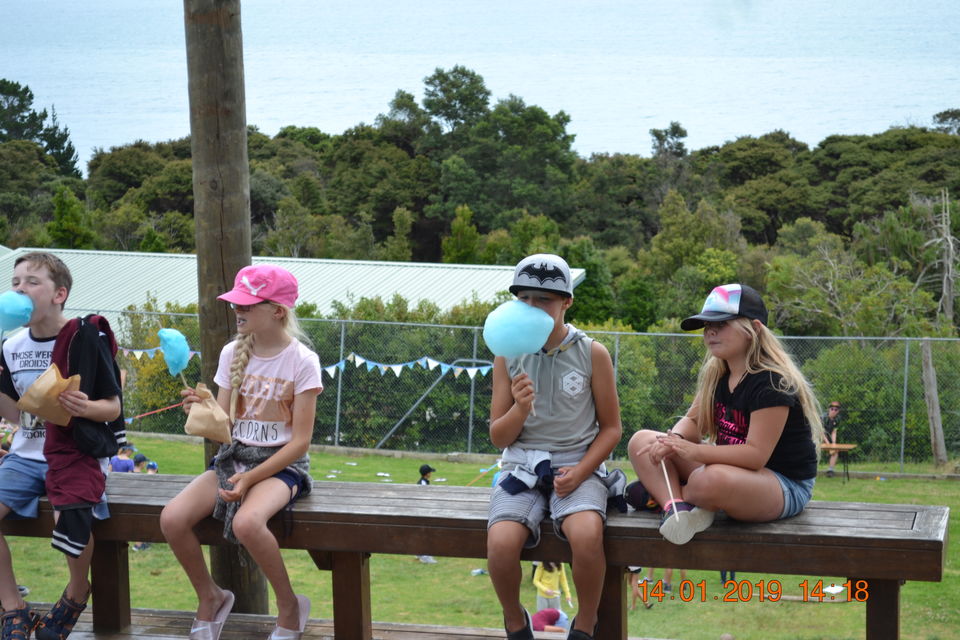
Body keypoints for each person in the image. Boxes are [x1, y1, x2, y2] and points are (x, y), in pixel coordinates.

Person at [159, 264, 322, 640]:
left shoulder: (302, 361)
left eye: (247, 305)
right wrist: (201, 409)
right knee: (172, 518)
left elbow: (300, 442)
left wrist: (250, 479)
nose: (237, 310)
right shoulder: (232, 352)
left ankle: (289, 606)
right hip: (235, 458)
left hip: (282, 465)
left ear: (277, 311)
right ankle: (211, 596)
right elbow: (224, 428)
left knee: (246, 523)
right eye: (235, 303)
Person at [486, 254, 622, 640]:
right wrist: (520, 408)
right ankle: (514, 619)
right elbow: (498, 437)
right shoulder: (507, 355)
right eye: (524, 298)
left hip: (579, 464)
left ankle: (586, 621)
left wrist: (581, 472)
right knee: (501, 543)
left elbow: (612, 429)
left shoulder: (592, 353)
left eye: (544, 299)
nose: (532, 307)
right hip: (521, 467)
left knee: (587, 535)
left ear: (566, 303)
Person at [627, 283, 823, 546]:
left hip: (783, 484)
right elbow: (694, 421)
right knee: (642, 441)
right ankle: (676, 508)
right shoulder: (718, 374)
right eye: (707, 325)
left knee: (709, 479)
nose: (711, 331)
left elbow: (755, 455)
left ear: (754, 329)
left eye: (722, 323)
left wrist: (693, 452)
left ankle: (661, 493)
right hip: (731, 471)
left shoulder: (772, 382)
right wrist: (675, 440)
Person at [0, 251, 123, 640]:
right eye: (15, 282)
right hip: (25, 456)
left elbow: (113, 408)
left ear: (59, 294)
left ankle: (76, 591)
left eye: (32, 281)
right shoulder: (11, 345)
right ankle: (13, 606)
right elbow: (16, 415)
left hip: (75, 453)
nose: (20, 289)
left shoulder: (85, 339)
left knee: (66, 517)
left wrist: (85, 407)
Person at [415, 463, 438, 564]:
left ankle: (419, 552)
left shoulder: (423, 482)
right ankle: (424, 555)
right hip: (423, 512)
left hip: (422, 511)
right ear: (427, 474)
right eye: (430, 472)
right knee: (425, 533)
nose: (431, 474)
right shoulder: (423, 484)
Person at [822, 402, 842, 477]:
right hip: (818, 437)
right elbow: (821, 432)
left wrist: (833, 443)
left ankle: (830, 470)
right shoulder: (823, 417)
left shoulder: (837, 419)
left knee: (835, 450)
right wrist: (828, 444)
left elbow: (834, 432)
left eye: (836, 409)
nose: (833, 411)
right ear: (829, 409)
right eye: (832, 409)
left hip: (828, 438)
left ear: (838, 411)